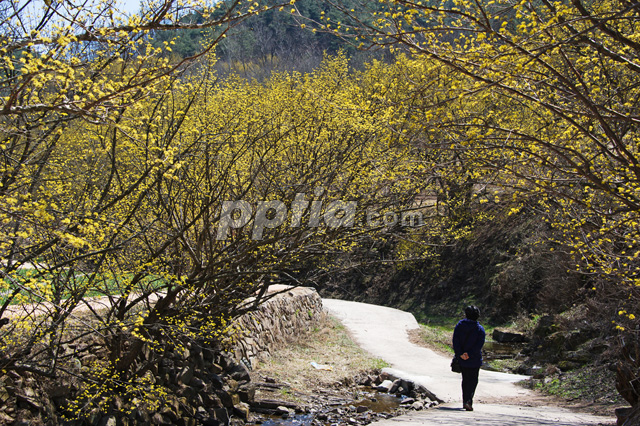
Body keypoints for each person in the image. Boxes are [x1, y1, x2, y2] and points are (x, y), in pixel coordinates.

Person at [452, 305, 486, 411]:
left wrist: (460, 354)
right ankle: (468, 401)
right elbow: (478, 345)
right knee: (473, 380)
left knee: (465, 380)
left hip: (462, 359)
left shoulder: (459, 326)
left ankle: (465, 401)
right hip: (474, 359)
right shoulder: (480, 329)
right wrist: (469, 354)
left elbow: (455, 341)